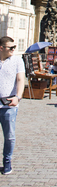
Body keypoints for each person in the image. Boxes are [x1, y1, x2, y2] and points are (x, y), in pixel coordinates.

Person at [0, 36, 25, 175]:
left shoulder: (17, 60)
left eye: (14, 47)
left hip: (9, 104)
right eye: (11, 48)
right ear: (1, 48)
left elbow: (21, 79)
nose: (14, 50)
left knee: (9, 136)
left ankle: (7, 161)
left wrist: (18, 97)